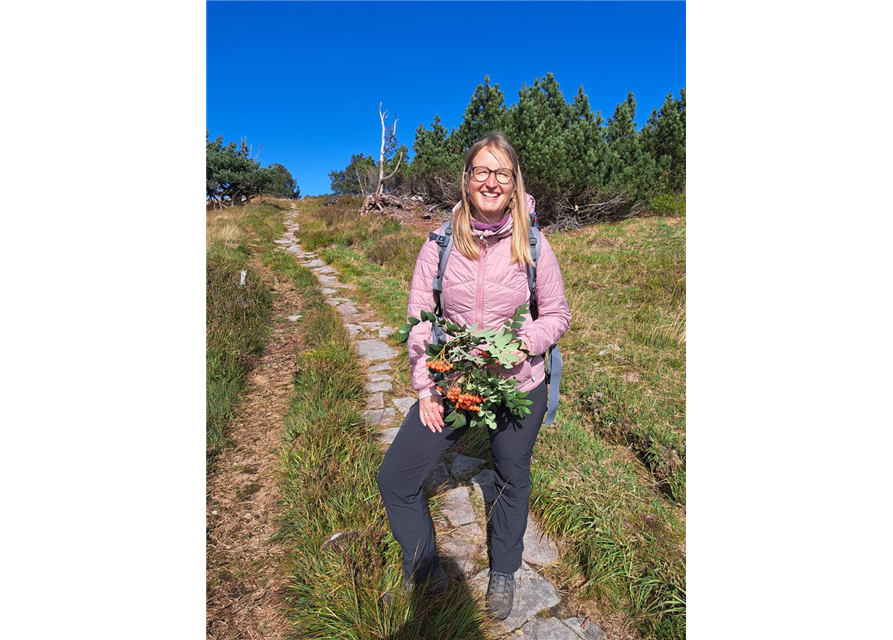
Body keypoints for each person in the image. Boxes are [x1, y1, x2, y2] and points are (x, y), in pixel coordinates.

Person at [376, 132, 571, 620]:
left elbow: (557, 314)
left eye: (502, 173)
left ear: (514, 182)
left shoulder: (534, 243)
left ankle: (504, 569)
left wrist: (525, 343)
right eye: (481, 170)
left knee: (511, 476)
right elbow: (420, 322)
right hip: (456, 382)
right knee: (395, 478)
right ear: (466, 180)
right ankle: (425, 572)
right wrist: (426, 388)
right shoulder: (439, 244)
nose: (491, 181)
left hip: (519, 384)